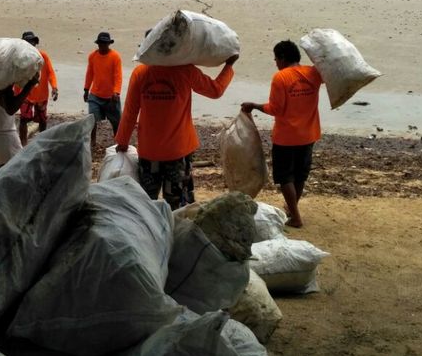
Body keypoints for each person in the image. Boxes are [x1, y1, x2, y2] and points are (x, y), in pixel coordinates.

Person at [115, 46, 239, 211]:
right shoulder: (185, 71)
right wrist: (228, 66)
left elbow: (130, 111)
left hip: (149, 152)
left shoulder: (140, 73)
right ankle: (176, 234)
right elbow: (215, 90)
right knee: (178, 207)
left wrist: (123, 141)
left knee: (146, 204)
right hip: (178, 152)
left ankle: (150, 234)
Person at [241, 40, 323, 228]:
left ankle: (295, 217)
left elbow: (275, 109)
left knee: (286, 177)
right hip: (309, 134)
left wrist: (254, 106)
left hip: (286, 137)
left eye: (276, 59)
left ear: (283, 58)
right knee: (300, 175)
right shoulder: (314, 74)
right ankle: (291, 209)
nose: (276, 62)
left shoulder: (281, 78)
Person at [16, 31, 58, 145]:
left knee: (42, 119)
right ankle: (23, 143)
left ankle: (41, 142)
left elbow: (50, 73)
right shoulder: (19, 58)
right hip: (25, 95)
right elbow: (15, 76)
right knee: (24, 119)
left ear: (35, 43)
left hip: (41, 94)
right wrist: (15, 94)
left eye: (32, 42)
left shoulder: (43, 56)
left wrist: (54, 87)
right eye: (27, 42)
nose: (30, 45)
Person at [83, 31, 123, 148]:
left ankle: (118, 141)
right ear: (98, 44)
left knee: (117, 122)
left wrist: (116, 92)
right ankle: (93, 141)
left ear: (109, 44)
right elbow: (89, 74)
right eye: (101, 43)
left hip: (111, 97)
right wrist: (86, 89)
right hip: (95, 95)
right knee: (92, 119)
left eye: (105, 43)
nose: (103, 46)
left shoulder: (115, 57)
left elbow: (118, 76)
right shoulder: (93, 56)